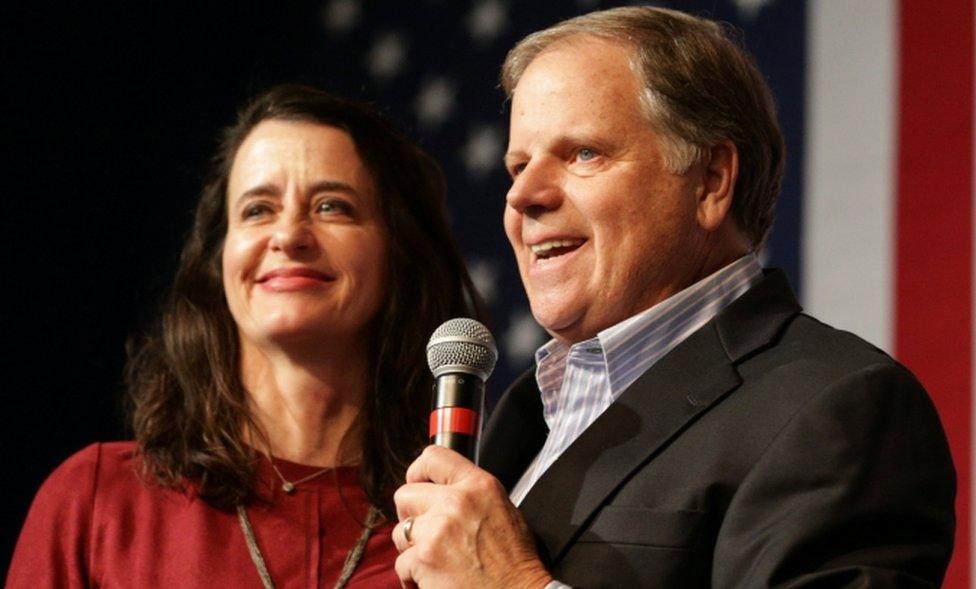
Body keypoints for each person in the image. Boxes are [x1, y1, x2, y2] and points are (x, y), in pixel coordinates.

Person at [391, 7, 955, 588]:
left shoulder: (838, 407)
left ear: (711, 180)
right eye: (518, 166)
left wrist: (513, 584)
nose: (524, 196)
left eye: (583, 153)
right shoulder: (524, 412)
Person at [6, 84, 482, 588]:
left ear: (397, 253)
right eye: (257, 209)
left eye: (332, 206)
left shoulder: (457, 522)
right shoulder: (98, 501)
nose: (289, 235)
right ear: (218, 262)